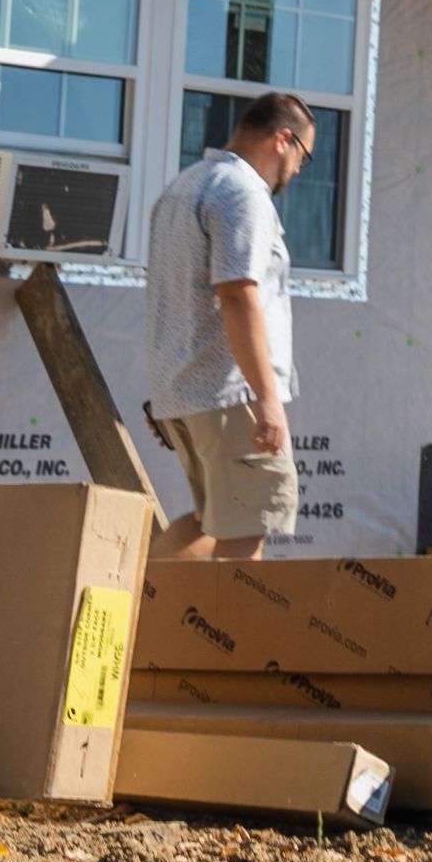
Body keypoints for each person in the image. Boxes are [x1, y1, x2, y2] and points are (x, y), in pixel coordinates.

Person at [141, 91, 318, 561]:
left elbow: (175, 294)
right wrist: (265, 397)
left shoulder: (182, 186)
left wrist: (165, 395)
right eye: (305, 154)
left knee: (211, 521)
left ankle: (128, 617)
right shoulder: (241, 193)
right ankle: (237, 635)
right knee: (246, 531)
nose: (301, 170)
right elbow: (237, 295)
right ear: (283, 140)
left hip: (185, 389)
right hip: (229, 393)